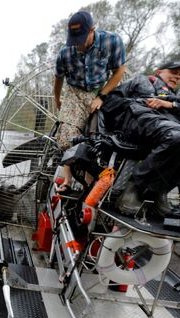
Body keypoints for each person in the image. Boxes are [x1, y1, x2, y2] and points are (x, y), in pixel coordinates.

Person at [105, 61, 180, 216]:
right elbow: (111, 102)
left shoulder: (179, 97)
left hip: (175, 126)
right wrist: (143, 102)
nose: (177, 76)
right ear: (158, 71)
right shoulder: (141, 81)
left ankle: (160, 191)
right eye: (174, 72)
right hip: (143, 120)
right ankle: (134, 189)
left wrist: (170, 105)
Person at [53, 10, 127, 190]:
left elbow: (119, 71)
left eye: (81, 39)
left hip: (101, 89)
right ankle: (67, 180)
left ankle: (88, 181)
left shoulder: (112, 41)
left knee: (96, 138)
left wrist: (101, 96)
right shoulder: (65, 52)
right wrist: (58, 101)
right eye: (74, 40)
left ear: (92, 29)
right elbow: (58, 79)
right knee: (66, 136)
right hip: (75, 92)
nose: (77, 45)